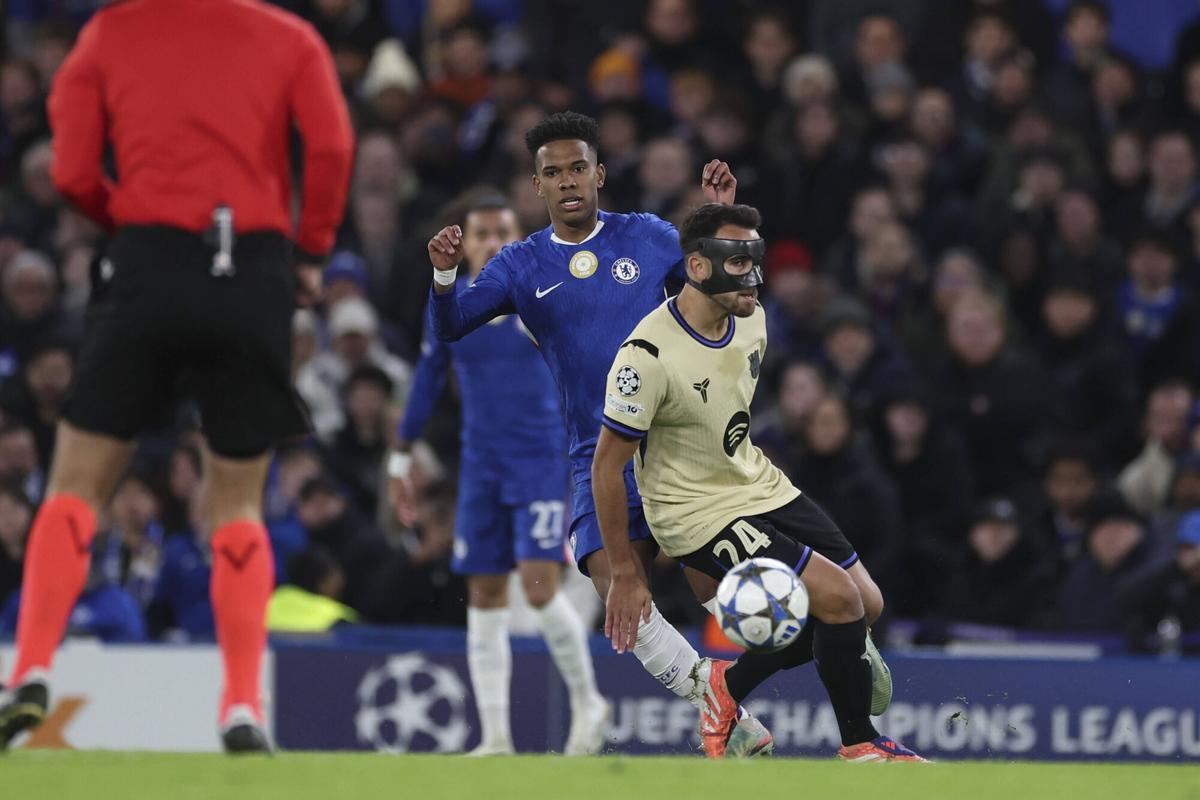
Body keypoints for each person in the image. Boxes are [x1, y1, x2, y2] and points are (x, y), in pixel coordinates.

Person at [0, 0, 354, 753]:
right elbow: (330, 147)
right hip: (251, 267)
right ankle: (241, 704)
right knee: (237, 502)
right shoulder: (289, 38)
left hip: (148, 260)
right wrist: (311, 250)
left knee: (74, 486)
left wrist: (125, 222)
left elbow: (71, 170)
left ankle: (28, 668)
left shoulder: (110, 32)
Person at [424, 111, 788, 757]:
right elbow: (451, 325)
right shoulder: (520, 264)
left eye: (577, 168)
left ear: (600, 173)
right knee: (618, 593)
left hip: (672, 448)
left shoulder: (649, 236)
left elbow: (717, 293)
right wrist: (446, 275)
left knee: (720, 591)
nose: (567, 181)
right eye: (552, 172)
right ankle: (722, 708)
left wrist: (719, 227)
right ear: (537, 185)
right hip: (597, 455)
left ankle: (835, 645)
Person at [593, 202, 920, 762]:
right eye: (738, 263)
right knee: (839, 602)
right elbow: (606, 467)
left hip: (754, 481)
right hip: (694, 511)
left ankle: (726, 685)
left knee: (866, 604)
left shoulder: (752, 320)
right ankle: (861, 744)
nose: (754, 277)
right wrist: (625, 569)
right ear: (698, 267)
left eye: (754, 260)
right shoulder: (646, 357)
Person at [392, 190, 609, 756]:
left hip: (539, 463)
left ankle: (589, 703)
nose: (491, 243)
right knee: (485, 592)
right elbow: (427, 379)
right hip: (480, 466)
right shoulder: (450, 303)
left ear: (519, 241)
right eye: (481, 234)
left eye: (502, 234)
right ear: (464, 245)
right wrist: (399, 456)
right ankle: (494, 737)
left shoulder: (543, 296)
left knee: (538, 586)